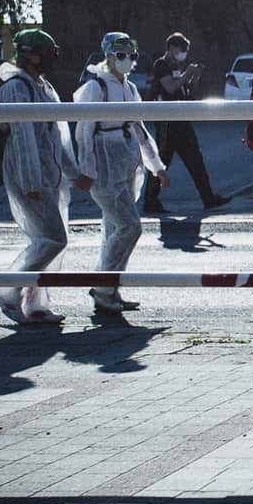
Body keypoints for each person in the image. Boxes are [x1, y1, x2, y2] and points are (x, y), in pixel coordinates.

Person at [0, 29, 86, 325]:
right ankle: (8, 291)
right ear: (31, 55)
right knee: (52, 239)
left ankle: (36, 304)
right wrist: (31, 182)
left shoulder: (43, 86)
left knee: (48, 239)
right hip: (27, 172)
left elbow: (58, 136)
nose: (52, 59)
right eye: (48, 53)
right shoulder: (17, 88)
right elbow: (22, 139)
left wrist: (72, 173)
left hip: (49, 172)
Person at [73, 32, 168, 314]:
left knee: (113, 230)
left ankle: (109, 291)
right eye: (122, 55)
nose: (128, 61)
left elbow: (139, 128)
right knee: (130, 226)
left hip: (125, 165)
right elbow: (84, 132)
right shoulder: (96, 88)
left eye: (132, 55)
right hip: (104, 167)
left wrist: (157, 166)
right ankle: (102, 285)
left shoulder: (129, 88)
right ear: (109, 56)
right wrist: (86, 170)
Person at [144, 32, 230, 213]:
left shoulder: (176, 66)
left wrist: (194, 76)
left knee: (195, 159)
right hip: (167, 120)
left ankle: (208, 198)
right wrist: (187, 73)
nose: (184, 53)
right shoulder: (162, 65)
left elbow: (187, 91)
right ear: (172, 48)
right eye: (182, 49)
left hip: (181, 119)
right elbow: (170, 87)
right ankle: (150, 200)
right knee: (161, 160)